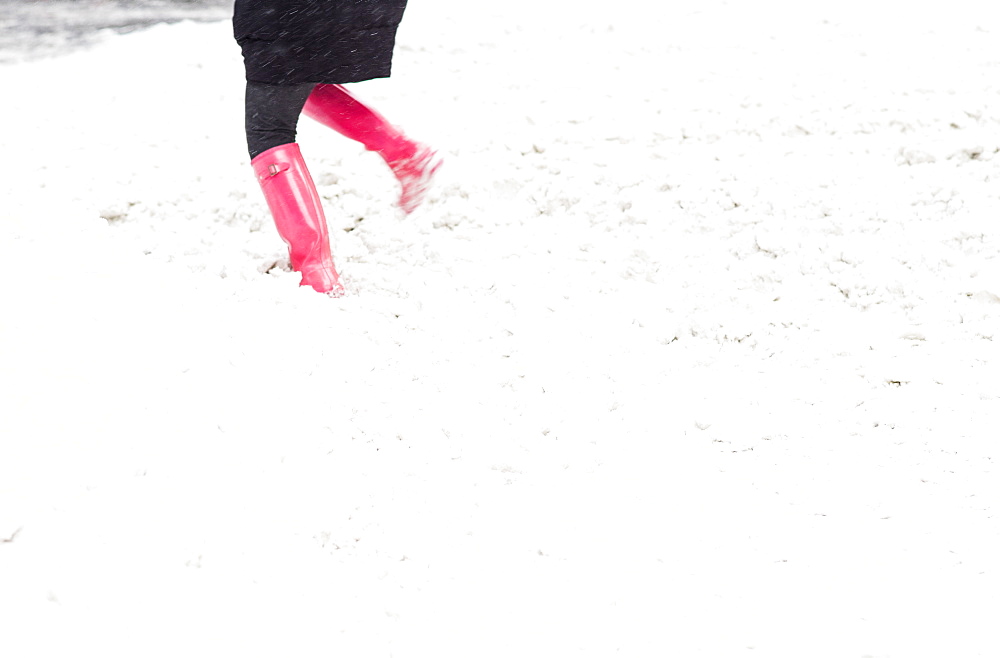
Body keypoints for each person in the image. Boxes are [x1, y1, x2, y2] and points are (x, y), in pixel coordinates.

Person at [233, 0, 442, 296]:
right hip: (342, 8)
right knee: (296, 77)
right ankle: (404, 154)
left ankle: (314, 270)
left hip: (291, 12)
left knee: (269, 125)